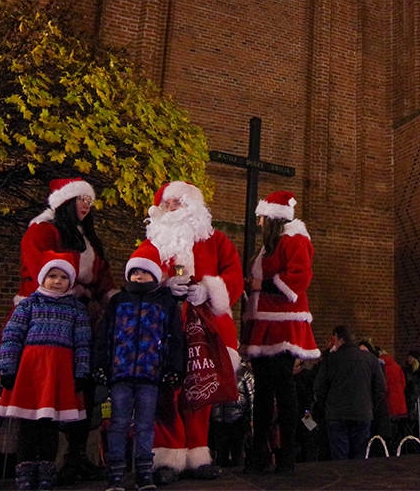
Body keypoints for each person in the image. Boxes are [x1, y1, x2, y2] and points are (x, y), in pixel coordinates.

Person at [3, 178, 115, 484]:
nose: (85, 206)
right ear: (64, 201)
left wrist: (112, 299)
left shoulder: (86, 236)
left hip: (83, 318)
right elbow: (42, 268)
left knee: (83, 388)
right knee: (44, 399)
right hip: (48, 319)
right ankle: (37, 465)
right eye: (80, 200)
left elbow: (102, 275)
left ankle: (75, 457)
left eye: (89, 202)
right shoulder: (43, 230)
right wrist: (71, 286)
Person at [138, 181, 245, 484]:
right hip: (164, 327)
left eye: (177, 203)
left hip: (205, 328)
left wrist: (208, 289)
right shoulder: (154, 242)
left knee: (200, 390)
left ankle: (198, 453)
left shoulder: (217, 240)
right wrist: (162, 285)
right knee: (166, 393)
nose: (171, 208)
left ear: (193, 206)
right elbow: (138, 270)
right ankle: (167, 456)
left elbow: (233, 274)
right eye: (167, 204)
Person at [0, 252, 92, 490]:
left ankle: (47, 469)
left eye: (63, 277)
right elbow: (11, 336)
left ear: (70, 282)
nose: (57, 281)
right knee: (28, 426)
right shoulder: (28, 305)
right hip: (31, 372)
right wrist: (8, 368)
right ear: (42, 278)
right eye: (52, 276)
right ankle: (25, 471)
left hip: (58, 373)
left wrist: (81, 372)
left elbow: (82, 343)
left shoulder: (76, 310)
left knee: (50, 427)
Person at [92, 248, 185, 491]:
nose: (139, 277)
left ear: (154, 275)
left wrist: (173, 369)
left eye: (145, 272)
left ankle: (144, 472)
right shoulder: (118, 301)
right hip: (120, 373)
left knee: (145, 424)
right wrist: (100, 365)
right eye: (135, 272)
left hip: (150, 374)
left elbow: (175, 339)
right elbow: (104, 335)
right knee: (118, 423)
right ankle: (116, 474)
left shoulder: (165, 303)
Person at [241, 190, 320, 475]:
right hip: (262, 321)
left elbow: (299, 277)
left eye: (262, 216)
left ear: (273, 218)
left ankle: (287, 454)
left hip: (284, 322)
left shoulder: (295, 239)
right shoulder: (268, 246)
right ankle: (260, 454)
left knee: (283, 387)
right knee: (263, 390)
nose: (259, 221)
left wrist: (262, 286)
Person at [313, 325, 386, 460]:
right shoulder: (370, 359)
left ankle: (342, 480)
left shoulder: (330, 360)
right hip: (362, 413)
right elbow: (380, 387)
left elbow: (319, 388)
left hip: (336, 415)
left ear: (340, 340)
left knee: (340, 456)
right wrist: (370, 405)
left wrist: (327, 406)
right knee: (359, 455)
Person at [209, 362, 256, 468]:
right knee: (220, 454)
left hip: (238, 419)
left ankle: (240, 478)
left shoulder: (244, 373)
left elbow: (252, 397)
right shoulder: (213, 371)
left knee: (238, 452)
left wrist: (252, 418)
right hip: (218, 419)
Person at [402, 350, 420, 416]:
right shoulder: (406, 368)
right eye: (408, 357)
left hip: (418, 393)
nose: (409, 359)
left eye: (411, 358)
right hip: (410, 394)